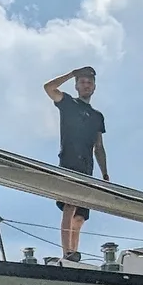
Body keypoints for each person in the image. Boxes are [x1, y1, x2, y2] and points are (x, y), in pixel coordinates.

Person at [43, 66, 109, 261]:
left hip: (87, 166)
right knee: (69, 206)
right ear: (76, 86)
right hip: (69, 161)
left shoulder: (97, 116)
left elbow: (99, 146)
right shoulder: (68, 103)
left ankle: (74, 252)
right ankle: (67, 252)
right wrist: (72, 73)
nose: (86, 85)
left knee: (80, 217)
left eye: (89, 83)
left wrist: (104, 172)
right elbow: (49, 88)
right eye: (82, 82)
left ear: (94, 87)